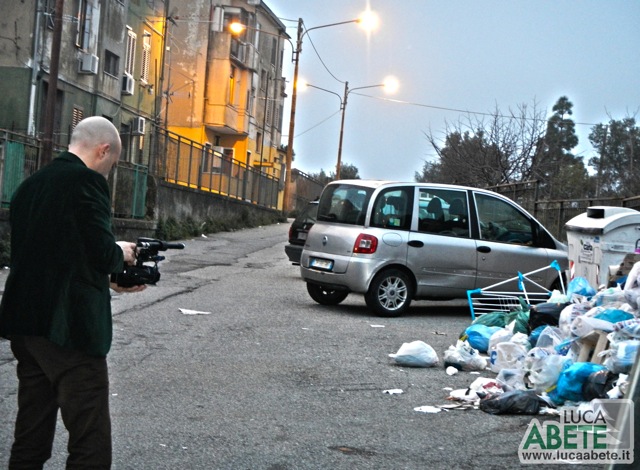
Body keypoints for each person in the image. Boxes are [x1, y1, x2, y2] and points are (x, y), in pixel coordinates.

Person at [0, 116, 146, 469]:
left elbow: (53, 253)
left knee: (30, 437)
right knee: (90, 441)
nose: (108, 172)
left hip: (26, 326)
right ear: (103, 149)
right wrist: (120, 253)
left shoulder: (29, 187)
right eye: (110, 164)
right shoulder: (87, 182)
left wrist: (105, 279)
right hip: (69, 331)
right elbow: (99, 251)